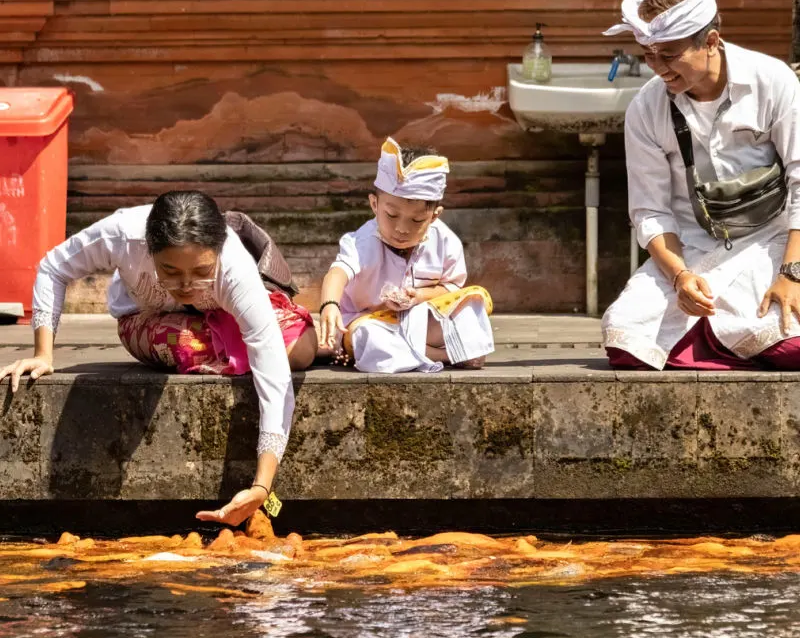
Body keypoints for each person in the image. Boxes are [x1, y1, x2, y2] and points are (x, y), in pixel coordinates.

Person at [0, 191, 316, 524]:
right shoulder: (121, 234)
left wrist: (261, 486)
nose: (186, 285)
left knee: (301, 347)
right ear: (149, 249)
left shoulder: (237, 268)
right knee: (184, 343)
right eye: (170, 271)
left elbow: (276, 380)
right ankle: (236, 347)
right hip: (150, 320)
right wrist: (43, 353)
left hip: (221, 317)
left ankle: (239, 343)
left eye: (201, 271)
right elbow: (54, 267)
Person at [602, 0, 800, 370]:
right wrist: (679, 277)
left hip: (773, 242)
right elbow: (650, 211)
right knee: (626, 344)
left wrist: (792, 273)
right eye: (648, 54)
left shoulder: (772, 81)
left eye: (669, 55)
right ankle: (716, 337)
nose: (658, 68)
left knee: (789, 344)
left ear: (710, 41)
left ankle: (716, 337)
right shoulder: (646, 108)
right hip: (690, 248)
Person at [317, 138, 494, 373]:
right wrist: (330, 305)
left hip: (418, 320)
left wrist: (418, 296)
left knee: (472, 304)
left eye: (417, 220)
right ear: (374, 205)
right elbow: (337, 272)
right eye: (391, 215)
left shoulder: (446, 241)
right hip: (370, 322)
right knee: (369, 338)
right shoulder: (361, 241)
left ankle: (420, 352)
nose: (402, 228)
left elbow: (451, 288)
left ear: (434, 216)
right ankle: (446, 355)